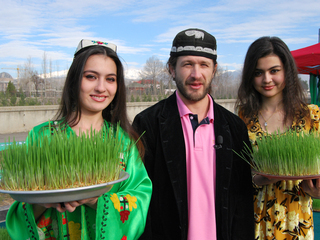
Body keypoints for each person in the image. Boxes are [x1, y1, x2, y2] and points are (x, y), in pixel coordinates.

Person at [6, 39, 152, 240]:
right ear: (74, 79)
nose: (101, 87)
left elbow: (139, 200)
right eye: (91, 76)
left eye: (110, 79)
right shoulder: (43, 137)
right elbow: (21, 205)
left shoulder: (124, 142)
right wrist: (44, 200)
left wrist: (96, 200)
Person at [132, 28, 254, 239]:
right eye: (187, 64)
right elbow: (140, 202)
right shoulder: (147, 124)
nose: (196, 74)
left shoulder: (235, 127)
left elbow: (242, 205)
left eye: (204, 65)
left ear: (214, 69)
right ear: (171, 68)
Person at [236, 36, 320, 240]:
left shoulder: (311, 116)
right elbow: (236, 176)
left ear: (287, 71)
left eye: (274, 71)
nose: (266, 79)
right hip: (255, 221)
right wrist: (259, 179)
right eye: (258, 73)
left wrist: (317, 192)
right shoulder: (242, 119)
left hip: (296, 223)